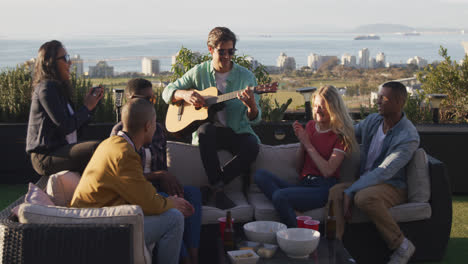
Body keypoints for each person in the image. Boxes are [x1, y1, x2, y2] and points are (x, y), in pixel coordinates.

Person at [71, 98, 194, 264]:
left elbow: (141, 194)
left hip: (95, 220)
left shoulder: (111, 144)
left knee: (169, 213)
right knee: (174, 219)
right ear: (147, 126)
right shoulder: (124, 154)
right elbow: (149, 203)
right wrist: (172, 203)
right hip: (97, 230)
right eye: (154, 123)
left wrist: (167, 201)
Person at [162, 27, 273, 209]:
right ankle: (219, 191)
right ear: (210, 49)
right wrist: (184, 94)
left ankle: (214, 187)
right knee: (204, 130)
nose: (227, 56)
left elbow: (255, 118)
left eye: (231, 51)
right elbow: (168, 92)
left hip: (236, 132)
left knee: (252, 145)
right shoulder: (199, 72)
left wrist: (251, 105)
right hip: (210, 135)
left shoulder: (246, 77)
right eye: (222, 51)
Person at [111, 78, 202, 264]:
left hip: (158, 186)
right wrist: (159, 176)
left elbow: (162, 168)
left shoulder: (157, 129)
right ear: (131, 101)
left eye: (153, 100)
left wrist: (167, 181)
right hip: (139, 192)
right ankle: (184, 260)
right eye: (146, 100)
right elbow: (126, 179)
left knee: (192, 194)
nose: (151, 104)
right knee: (175, 212)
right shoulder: (120, 135)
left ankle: (194, 255)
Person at [328, 81, 420, 264]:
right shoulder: (373, 121)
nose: (377, 101)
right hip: (367, 181)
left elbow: (383, 172)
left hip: (392, 185)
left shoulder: (408, 136)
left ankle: (401, 245)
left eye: (382, 98)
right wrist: (324, 128)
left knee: (363, 197)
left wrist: (351, 190)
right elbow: (350, 132)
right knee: (334, 192)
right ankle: (335, 247)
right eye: (378, 97)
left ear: (399, 102)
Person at [254, 85, 357, 227]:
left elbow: (327, 171)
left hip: (323, 188)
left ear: (333, 108)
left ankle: (300, 233)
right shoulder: (310, 126)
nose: (317, 110)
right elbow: (298, 167)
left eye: (322, 106)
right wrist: (302, 143)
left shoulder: (340, 135)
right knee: (260, 175)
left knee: (279, 196)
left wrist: (307, 143)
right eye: (315, 106)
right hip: (304, 183)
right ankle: (293, 210)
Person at [26, 40, 103, 176]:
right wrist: (86, 107)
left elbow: (74, 129)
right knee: (97, 148)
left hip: (61, 150)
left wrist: (91, 106)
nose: (70, 63)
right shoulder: (46, 88)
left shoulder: (59, 90)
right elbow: (65, 126)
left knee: (103, 147)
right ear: (50, 62)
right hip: (45, 156)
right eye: (66, 58)